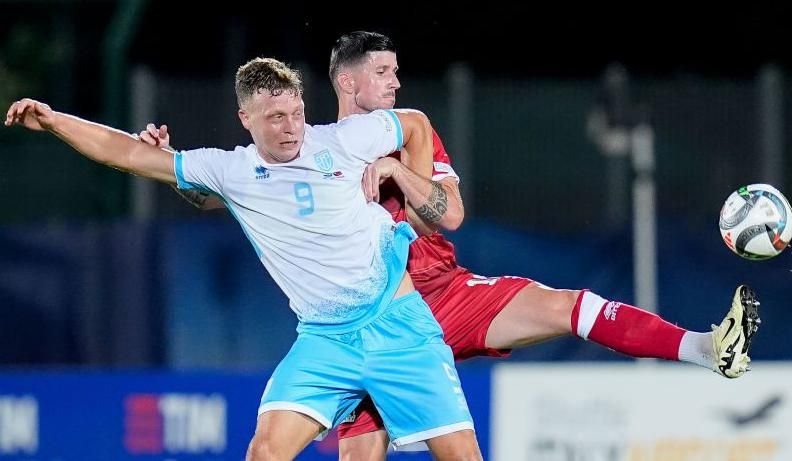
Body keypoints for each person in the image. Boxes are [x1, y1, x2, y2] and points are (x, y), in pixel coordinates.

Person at [139, 32, 762, 461]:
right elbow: (224, 192)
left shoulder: (407, 130)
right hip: (362, 325)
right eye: (383, 72)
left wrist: (399, 175)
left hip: (440, 294)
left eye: (395, 71)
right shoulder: (304, 145)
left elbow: (452, 216)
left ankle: (705, 349)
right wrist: (164, 159)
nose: (396, 80)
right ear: (346, 80)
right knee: (359, 452)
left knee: (568, 305)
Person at [5, 57, 484, 461]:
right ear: (245, 118)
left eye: (296, 113)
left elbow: (416, 123)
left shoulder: (345, 140)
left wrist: (415, 205)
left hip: (398, 327)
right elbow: (125, 155)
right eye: (275, 117)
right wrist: (53, 120)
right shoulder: (229, 170)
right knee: (265, 451)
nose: (290, 127)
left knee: (461, 455)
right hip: (326, 341)